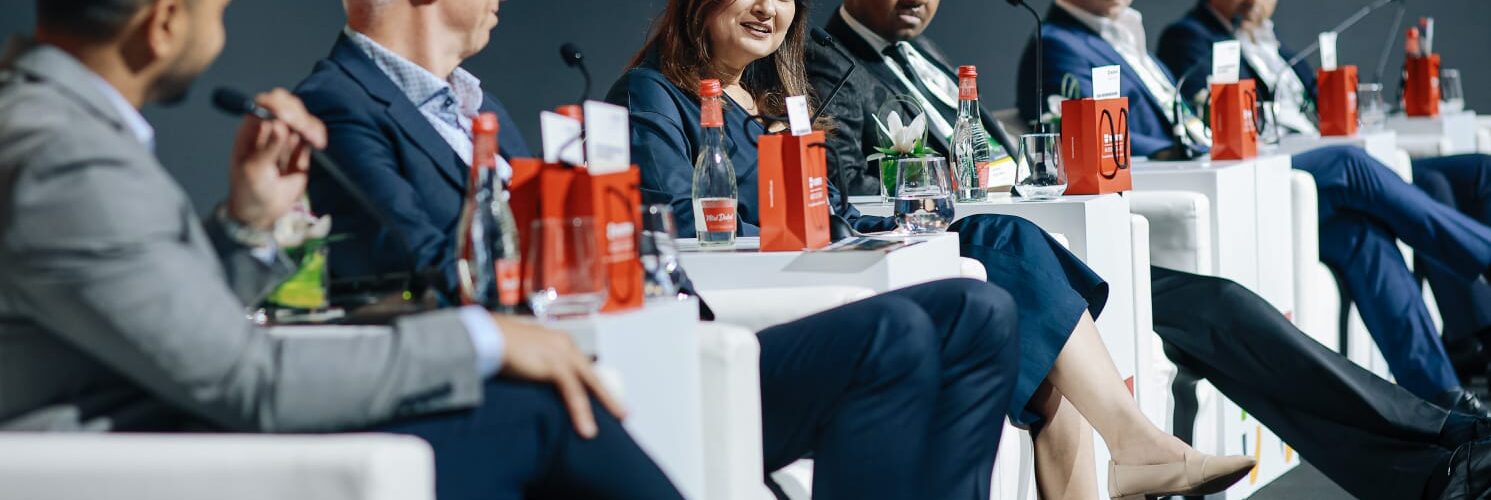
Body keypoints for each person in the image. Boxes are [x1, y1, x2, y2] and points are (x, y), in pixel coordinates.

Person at [294, 0, 1024, 498]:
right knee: (896, 333)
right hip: (573, 369)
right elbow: (438, 265)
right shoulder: (340, 103)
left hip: (658, 332)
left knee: (977, 309)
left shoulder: (473, 102)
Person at [0, 0, 687, 498]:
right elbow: (250, 382)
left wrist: (247, 224)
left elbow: (167, 322)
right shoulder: (67, 156)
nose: (223, 21)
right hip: (153, 462)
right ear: (164, 23)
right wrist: (485, 340)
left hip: (183, 429)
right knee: (545, 416)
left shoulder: (59, 129)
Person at [807, 1, 1491, 498]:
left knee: (1224, 304)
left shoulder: (922, 53)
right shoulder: (825, 61)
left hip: (1052, 245)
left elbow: (1002, 155)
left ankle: (1434, 456)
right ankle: (1437, 445)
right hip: (982, 265)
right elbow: (847, 194)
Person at [608, 0, 1257, 499]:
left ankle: (1133, 443)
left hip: (847, 260)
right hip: (794, 292)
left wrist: (892, 224)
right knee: (1009, 282)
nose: (765, 8)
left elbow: (830, 208)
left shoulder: (776, 95)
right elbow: (673, 221)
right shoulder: (654, 92)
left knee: (1003, 237)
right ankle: (1133, 450)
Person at [1019, 0, 1491, 416]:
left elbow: (1189, 110)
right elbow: (1075, 133)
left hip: (1228, 164)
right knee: (1349, 164)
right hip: (1184, 177)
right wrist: (1175, 147)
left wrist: (1204, 129)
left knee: (1360, 235)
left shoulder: (1130, 38)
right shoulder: (1056, 42)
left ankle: (1441, 399)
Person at [1156, 0, 1491, 379]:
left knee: (1372, 227)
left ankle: (1444, 395)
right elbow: (1211, 119)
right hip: (1284, 166)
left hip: (1320, 161)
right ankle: (1483, 270)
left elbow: (1319, 101)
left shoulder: (1277, 47)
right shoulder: (1190, 37)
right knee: (1354, 166)